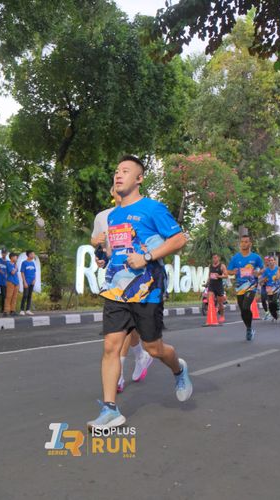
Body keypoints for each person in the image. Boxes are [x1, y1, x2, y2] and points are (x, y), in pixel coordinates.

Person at [88, 155, 192, 430]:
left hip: (148, 287)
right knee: (111, 346)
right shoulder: (113, 216)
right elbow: (117, 250)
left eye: (125, 171)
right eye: (116, 171)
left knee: (153, 348)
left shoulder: (152, 208)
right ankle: (110, 409)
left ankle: (179, 368)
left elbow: (179, 239)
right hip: (117, 289)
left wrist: (147, 256)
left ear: (139, 178)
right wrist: (104, 257)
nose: (118, 175)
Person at [91, 185, 154, 394]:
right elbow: (96, 243)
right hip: (115, 277)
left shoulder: (139, 213)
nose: (120, 191)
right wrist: (99, 253)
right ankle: (139, 356)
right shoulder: (103, 216)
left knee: (128, 325)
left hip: (138, 275)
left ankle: (122, 368)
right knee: (126, 325)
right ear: (112, 193)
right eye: (115, 188)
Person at [226, 234, 263, 341]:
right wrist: (233, 272)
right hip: (240, 287)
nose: (243, 244)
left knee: (246, 306)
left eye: (246, 242)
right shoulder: (235, 257)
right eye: (242, 242)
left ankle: (249, 328)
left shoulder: (256, 257)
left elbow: (262, 269)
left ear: (250, 243)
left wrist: (258, 272)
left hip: (251, 285)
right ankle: (249, 328)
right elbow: (228, 271)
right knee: (243, 310)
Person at [260, 255, 280, 321]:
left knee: (274, 301)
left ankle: (278, 311)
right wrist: (263, 280)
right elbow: (262, 280)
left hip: (276, 287)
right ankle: (273, 315)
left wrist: (278, 278)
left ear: (274, 261)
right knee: (270, 303)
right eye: (269, 260)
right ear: (268, 262)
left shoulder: (278, 269)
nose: (271, 262)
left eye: (272, 260)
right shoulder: (266, 270)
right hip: (269, 288)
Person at [207, 253, 227, 322]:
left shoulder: (222, 266)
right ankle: (212, 315)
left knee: (220, 303)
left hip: (219, 286)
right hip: (211, 286)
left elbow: (226, 276)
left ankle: (222, 316)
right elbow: (209, 275)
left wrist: (219, 276)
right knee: (210, 300)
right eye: (213, 258)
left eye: (215, 258)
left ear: (218, 258)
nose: (214, 259)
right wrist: (207, 283)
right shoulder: (210, 266)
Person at [20, 250, 37, 315]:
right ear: (29, 255)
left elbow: (34, 272)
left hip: (32, 282)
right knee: (25, 295)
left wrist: (34, 280)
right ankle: (22, 310)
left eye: (34, 254)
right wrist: (24, 282)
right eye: (32, 254)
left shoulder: (33, 263)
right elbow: (22, 272)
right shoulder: (24, 263)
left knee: (30, 295)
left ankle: (28, 309)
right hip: (26, 281)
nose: (33, 255)